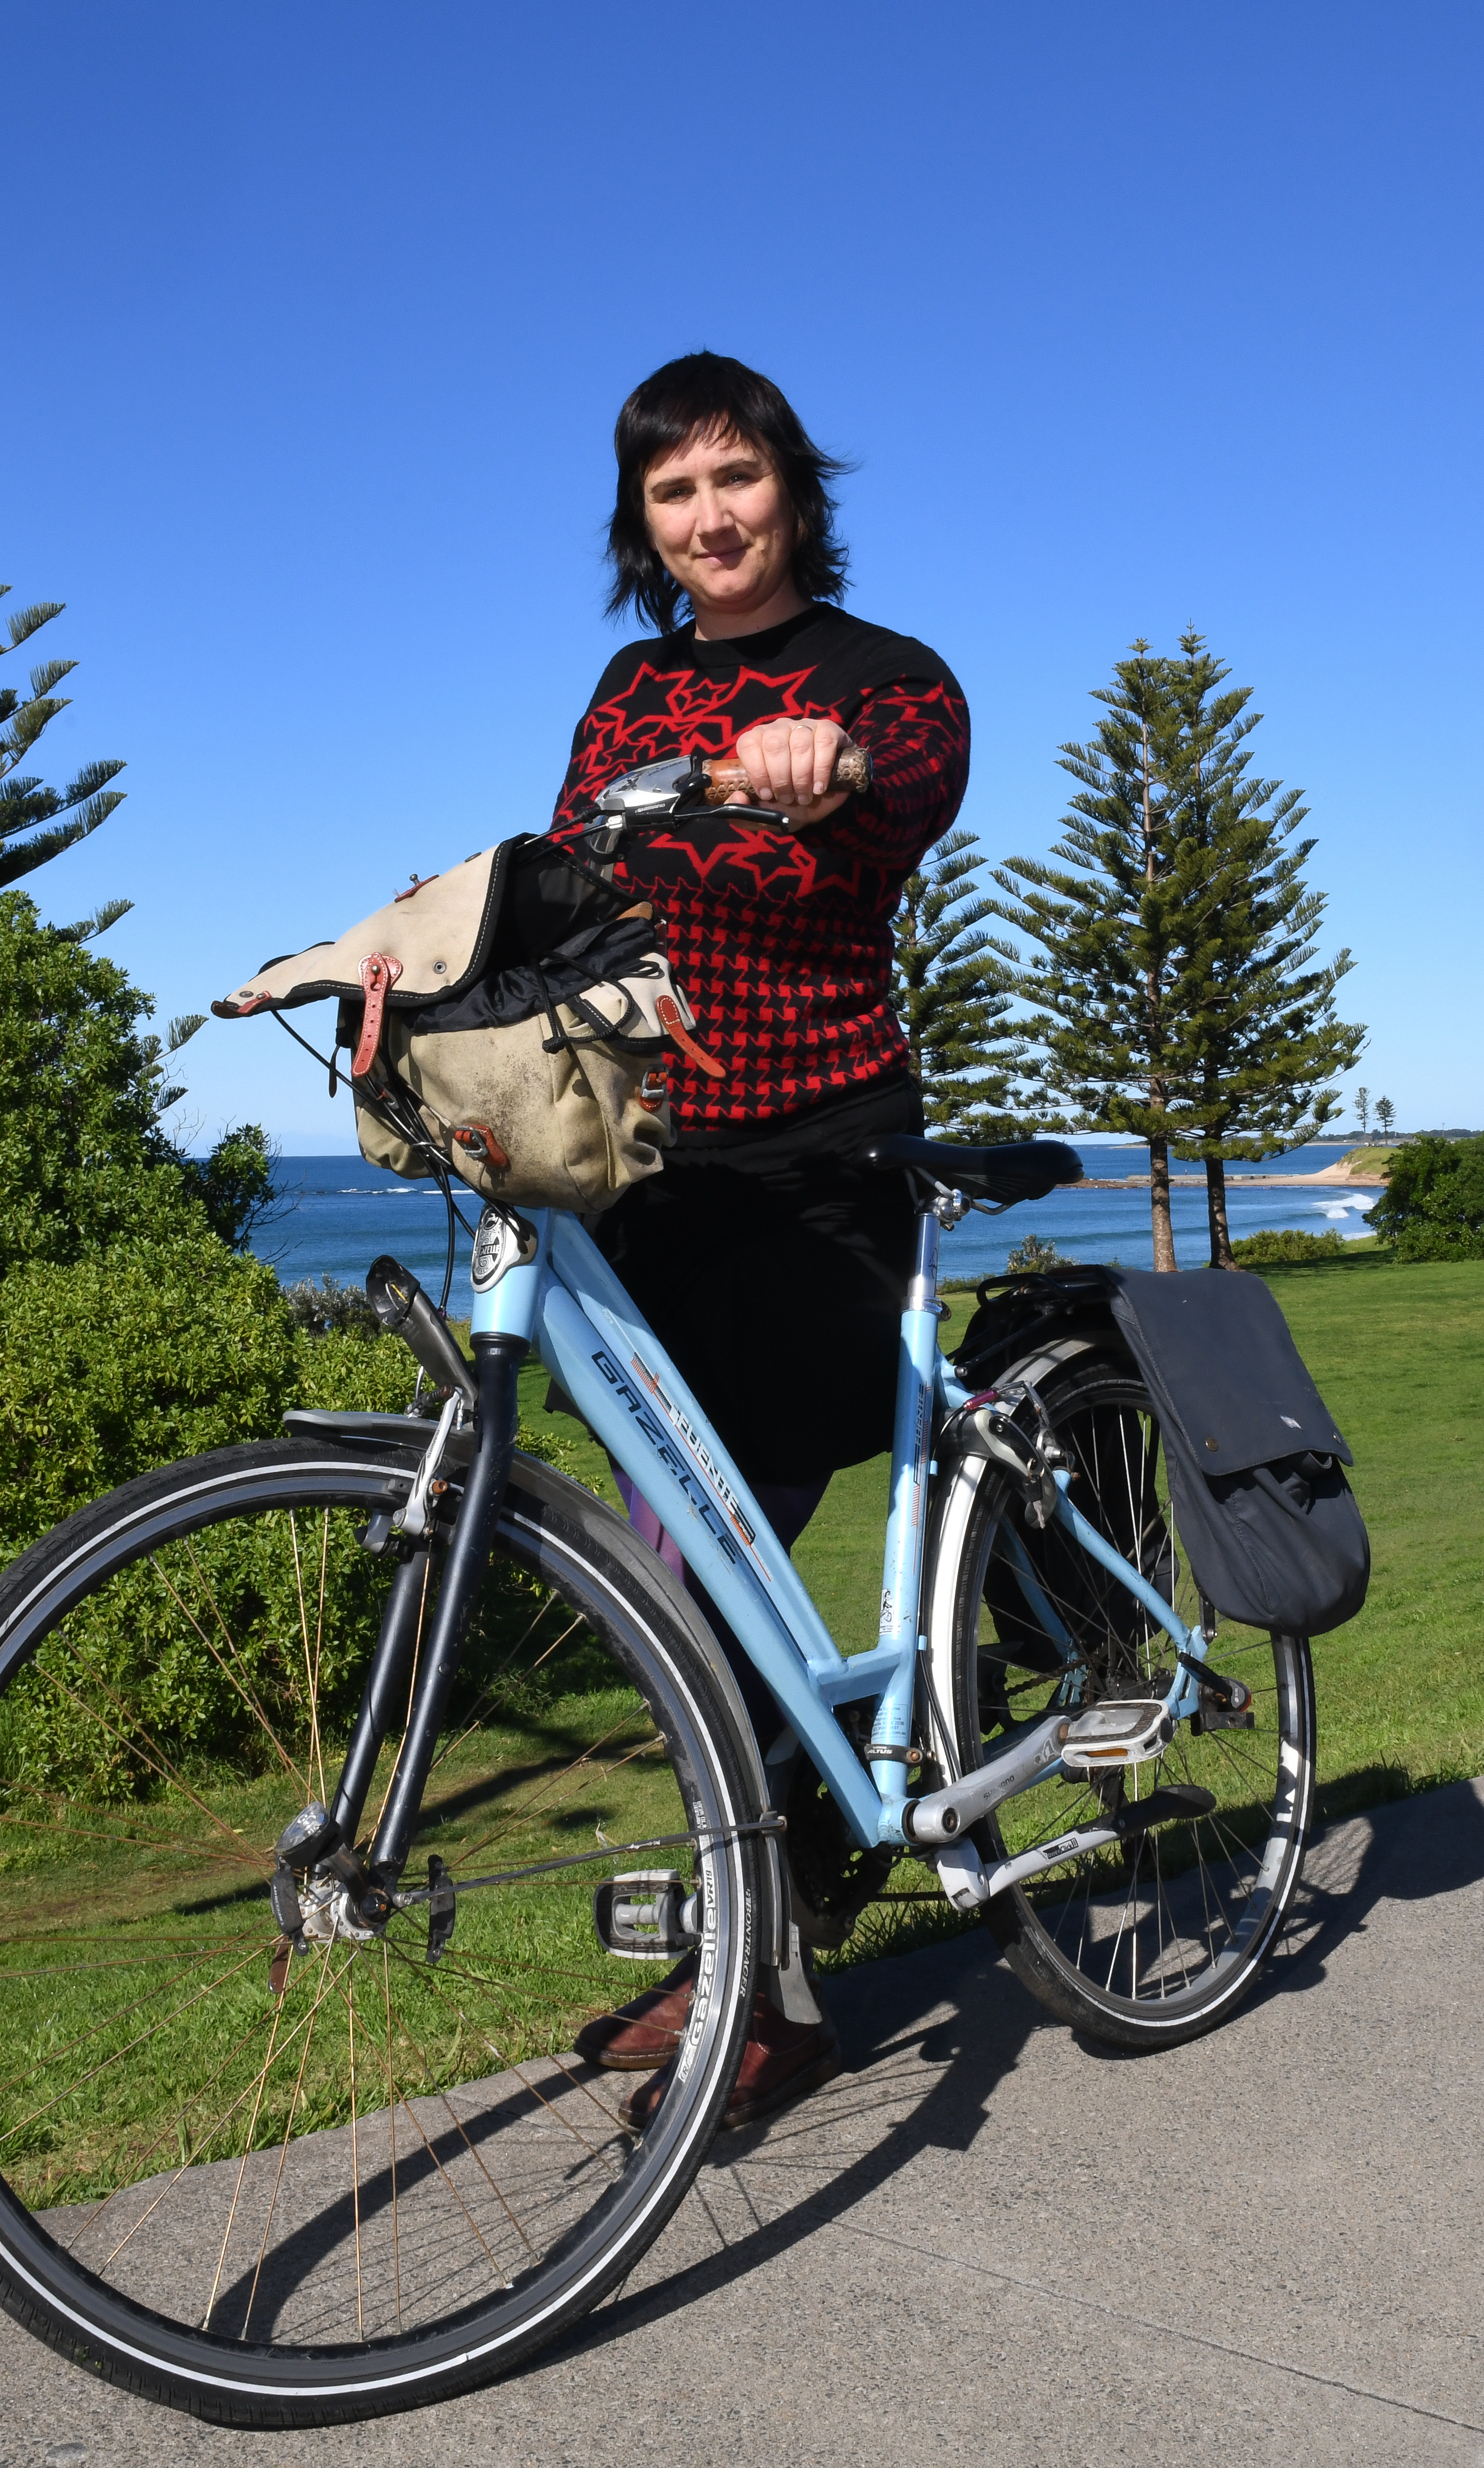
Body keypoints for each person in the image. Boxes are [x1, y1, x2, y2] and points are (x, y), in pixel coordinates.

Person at [550, 352, 968, 2129]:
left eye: (738, 478)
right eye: (674, 492)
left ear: (792, 489)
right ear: (643, 523)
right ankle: (759, 1927)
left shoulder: (889, 683)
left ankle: (764, 1989)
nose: (711, 516)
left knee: (716, 1562)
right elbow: (576, 867)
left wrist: (819, 762)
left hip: (820, 1164)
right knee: (670, 1577)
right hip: (661, 1175)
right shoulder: (629, 688)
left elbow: (904, 794)